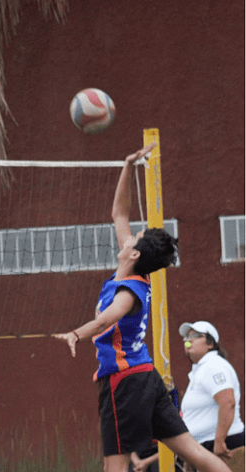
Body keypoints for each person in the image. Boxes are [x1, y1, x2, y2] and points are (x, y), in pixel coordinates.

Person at [54, 143, 231, 472]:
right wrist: (127, 165)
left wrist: (76, 334)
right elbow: (119, 214)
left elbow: (110, 317)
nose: (129, 236)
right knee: (194, 453)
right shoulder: (130, 272)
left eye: (133, 238)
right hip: (144, 378)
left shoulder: (130, 290)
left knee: (115, 466)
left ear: (133, 254)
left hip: (124, 382)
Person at [179, 321, 245, 464]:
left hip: (223, 446)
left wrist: (219, 441)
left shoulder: (214, 365)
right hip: (205, 448)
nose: (189, 340)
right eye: (186, 337)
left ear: (210, 344)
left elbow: (227, 402)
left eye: (196, 336)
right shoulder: (202, 369)